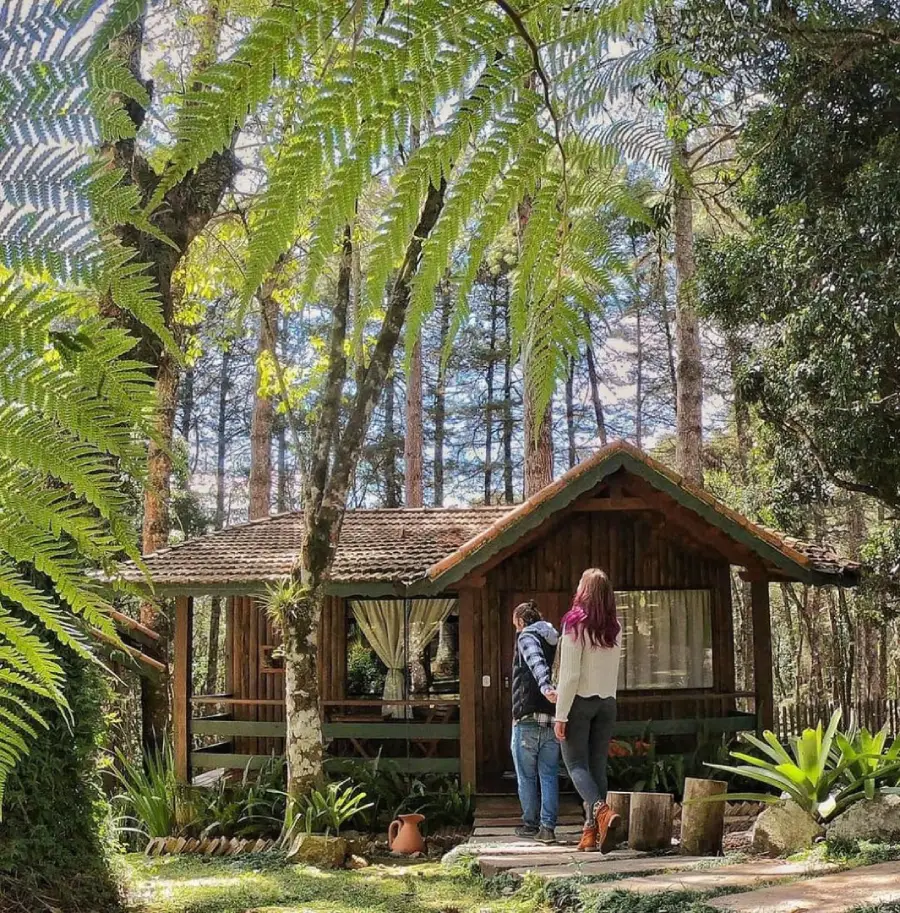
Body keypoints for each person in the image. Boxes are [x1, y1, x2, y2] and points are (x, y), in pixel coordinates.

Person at [554, 568, 623, 853]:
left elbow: (569, 676)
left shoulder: (574, 624)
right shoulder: (614, 627)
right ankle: (590, 834)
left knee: (576, 766)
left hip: (580, 703)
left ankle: (602, 812)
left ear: (583, 592)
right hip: (607, 702)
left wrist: (560, 714)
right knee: (597, 768)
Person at [510, 600, 560, 843]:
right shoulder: (556, 639)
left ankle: (531, 825)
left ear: (521, 621)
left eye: (515, 625)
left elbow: (535, 661)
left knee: (527, 777)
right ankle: (548, 828)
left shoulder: (526, 636)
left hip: (527, 719)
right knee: (549, 775)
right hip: (551, 719)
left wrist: (545, 686)